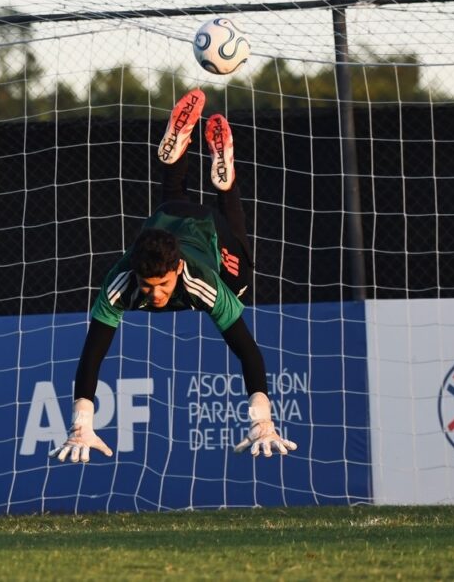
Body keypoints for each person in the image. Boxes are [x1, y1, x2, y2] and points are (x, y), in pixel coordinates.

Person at [49, 89, 298, 463]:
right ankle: (178, 149)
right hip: (165, 220)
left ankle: (223, 181)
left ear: (177, 270)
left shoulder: (202, 283)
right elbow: (92, 356)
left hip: (204, 231)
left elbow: (247, 350)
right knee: (169, 199)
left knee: (241, 278)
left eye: (162, 285)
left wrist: (262, 420)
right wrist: (81, 424)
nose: (154, 296)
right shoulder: (121, 284)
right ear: (135, 272)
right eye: (147, 286)